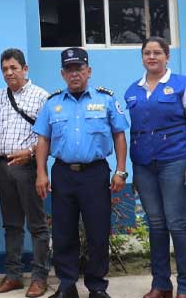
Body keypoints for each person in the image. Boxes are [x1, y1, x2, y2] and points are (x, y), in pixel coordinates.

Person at [34, 48, 128, 298]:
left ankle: (97, 286)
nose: (75, 74)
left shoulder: (105, 99)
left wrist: (120, 170)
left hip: (95, 173)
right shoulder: (52, 103)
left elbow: (119, 135)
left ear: (89, 71)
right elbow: (43, 139)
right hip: (63, 174)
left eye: (80, 69)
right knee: (63, 231)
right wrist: (41, 173)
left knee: (97, 231)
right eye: (70, 70)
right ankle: (66, 285)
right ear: (63, 74)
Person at [125, 36, 186, 298]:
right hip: (144, 166)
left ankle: (185, 285)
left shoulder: (181, 84)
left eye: (157, 53)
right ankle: (161, 284)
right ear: (142, 57)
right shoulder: (132, 90)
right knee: (156, 224)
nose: (152, 57)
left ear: (167, 56)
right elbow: (132, 131)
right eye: (147, 53)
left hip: (175, 160)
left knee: (177, 224)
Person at [0, 49, 50, 297]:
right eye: (4, 69)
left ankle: (39, 277)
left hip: (28, 167)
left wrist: (31, 154)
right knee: (11, 225)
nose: (9, 73)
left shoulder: (41, 97)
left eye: (14, 68)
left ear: (25, 69)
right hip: (2, 167)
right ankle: (13, 276)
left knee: (37, 225)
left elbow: (51, 136)